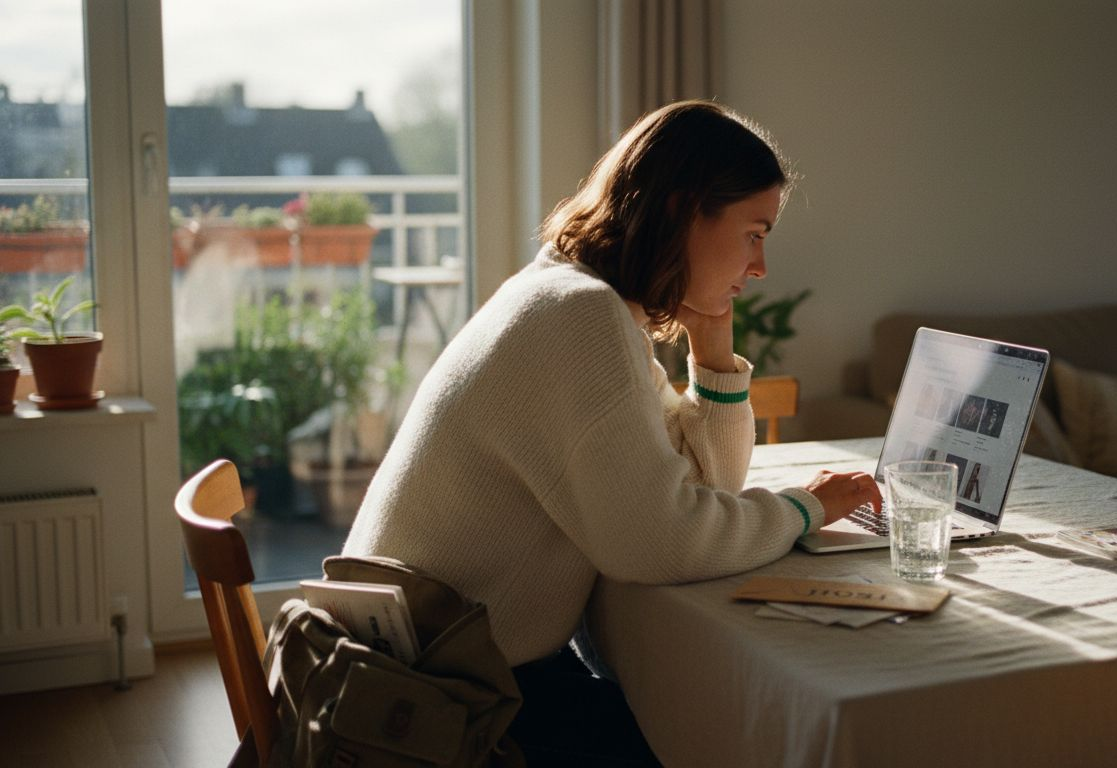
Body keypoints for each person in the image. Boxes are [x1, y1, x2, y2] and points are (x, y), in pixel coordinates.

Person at [342, 100, 882, 764]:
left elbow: (704, 484)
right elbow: (663, 543)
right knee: (707, 736)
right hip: (431, 709)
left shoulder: (577, 298)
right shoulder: (577, 317)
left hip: (442, 671)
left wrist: (713, 346)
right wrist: (807, 508)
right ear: (686, 210)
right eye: (753, 232)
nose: (761, 264)